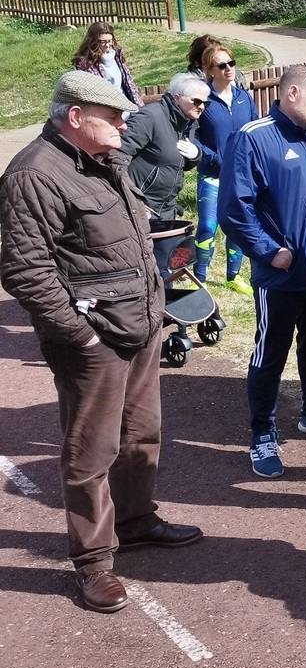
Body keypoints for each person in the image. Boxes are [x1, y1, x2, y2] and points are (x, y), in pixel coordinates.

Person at [0, 72, 201, 614]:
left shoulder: (105, 161)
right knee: (91, 450)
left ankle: (135, 522)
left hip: (139, 325)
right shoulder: (34, 175)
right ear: (74, 117)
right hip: (94, 341)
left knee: (142, 434)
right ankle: (92, 562)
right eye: (111, 116)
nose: (122, 122)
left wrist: (157, 309)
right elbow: (25, 271)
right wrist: (81, 336)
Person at [219, 64, 306, 480]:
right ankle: (262, 433)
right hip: (280, 275)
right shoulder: (254, 137)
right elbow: (235, 210)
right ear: (291, 94)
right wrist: (270, 252)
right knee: (271, 352)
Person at [192, 39, 257, 294]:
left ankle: (234, 275)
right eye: (222, 65)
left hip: (240, 176)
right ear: (210, 70)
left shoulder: (243, 98)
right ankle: (200, 276)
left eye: (231, 63)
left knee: (237, 224)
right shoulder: (203, 101)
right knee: (208, 225)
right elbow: (193, 137)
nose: (229, 69)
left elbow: (254, 130)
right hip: (212, 175)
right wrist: (211, 157)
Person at [121, 72, 213, 223]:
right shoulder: (150, 117)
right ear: (176, 97)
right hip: (138, 209)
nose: (201, 107)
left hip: (165, 209)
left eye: (205, 103)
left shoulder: (187, 123)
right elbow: (116, 157)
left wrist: (196, 155)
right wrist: (134, 200)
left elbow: (174, 163)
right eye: (196, 101)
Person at [70, 21, 143, 108]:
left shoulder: (117, 55)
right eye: (103, 42)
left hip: (125, 105)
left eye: (109, 41)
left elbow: (129, 85)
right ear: (93, 41)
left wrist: (139, 106)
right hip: (105, 110)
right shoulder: (84, 64)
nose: (107, 45)